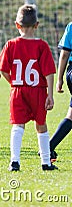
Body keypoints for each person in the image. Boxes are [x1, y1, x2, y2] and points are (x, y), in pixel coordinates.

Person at [0, 4, 57, 171]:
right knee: (41, 125)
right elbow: (49, 72)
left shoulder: (10, 44)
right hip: (38, 91)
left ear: (17, 25)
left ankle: (14, 161)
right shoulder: (42, 46)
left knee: (18, 125)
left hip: (18, 90)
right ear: (37, 25)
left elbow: (2, 69)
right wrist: (50, 95)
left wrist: (14, 82)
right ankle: (45, 162)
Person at [47, 20, 72, 162]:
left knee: (71, 115)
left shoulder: (71, 26)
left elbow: (64, 54)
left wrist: (60, 78)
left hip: (71, 72)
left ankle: (49, 147)